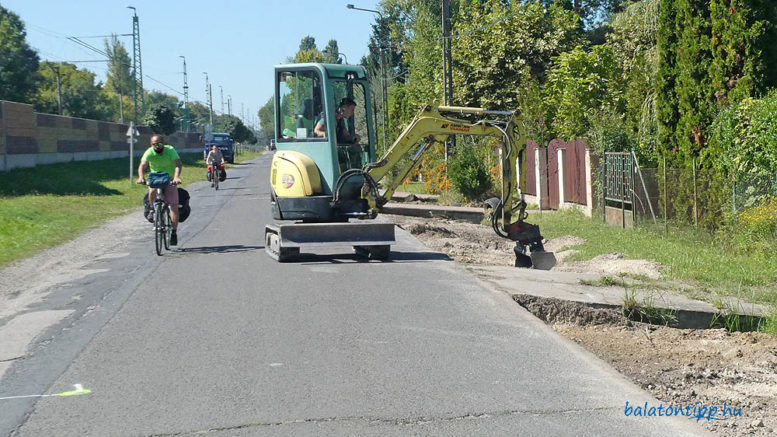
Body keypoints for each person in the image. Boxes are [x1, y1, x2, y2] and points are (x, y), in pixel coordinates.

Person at [136, 134, 183, 246]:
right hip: (155, 178)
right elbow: (142, 165)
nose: (157, 146)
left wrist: (176, 177)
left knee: (173, 206)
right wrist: (141, 177)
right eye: (154, 144)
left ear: (163, 143)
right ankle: (153, 209)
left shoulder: (170, 150)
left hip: (169, 178)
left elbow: (178, 164)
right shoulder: (149, 152)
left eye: (159, 144)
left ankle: (173, 233)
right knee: (151, 191)